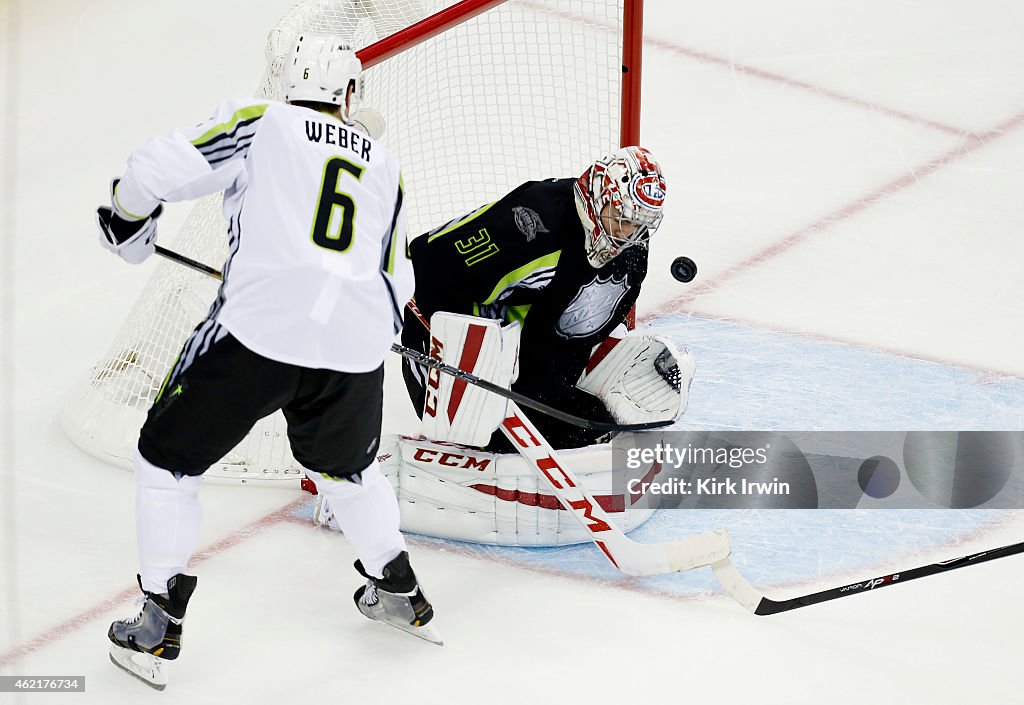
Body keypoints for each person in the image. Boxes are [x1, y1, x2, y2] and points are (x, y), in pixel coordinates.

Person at [97, 34, 437, 690]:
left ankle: (159, 617)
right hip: (357, 344)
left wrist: (127, 220)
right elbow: (400, 275)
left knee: (166, 459)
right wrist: (361, 337)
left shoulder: (262, 120)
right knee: (348, 468)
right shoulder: (387, 164)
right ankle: (397, 584)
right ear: (349, 93)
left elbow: (152, 168)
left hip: (259, 333)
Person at [401, 145, 668, 451]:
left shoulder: (631, 249)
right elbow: (431, 264)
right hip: (444, 339)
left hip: (524, 352)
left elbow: (574, 330)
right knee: (480, 432)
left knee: (585, 428)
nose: (630, 234)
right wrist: (474, 360)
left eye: (641, 224)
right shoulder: (534, 224)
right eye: (623, 219)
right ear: (599, 197)